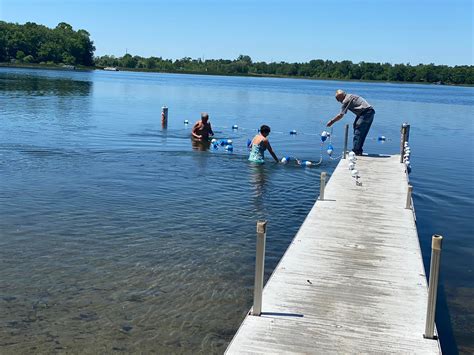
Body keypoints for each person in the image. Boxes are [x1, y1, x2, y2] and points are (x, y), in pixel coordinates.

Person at [326, 89, 375, 156]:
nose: (339, 101)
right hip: (369, 112)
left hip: (365, 113)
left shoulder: (346, 100)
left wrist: (331, 122)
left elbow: (340, 115)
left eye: (338, 99)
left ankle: (356, 151)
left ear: (341, 97)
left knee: (358, 130)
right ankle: (358, 150)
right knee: (358, 129)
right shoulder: (350, 95)